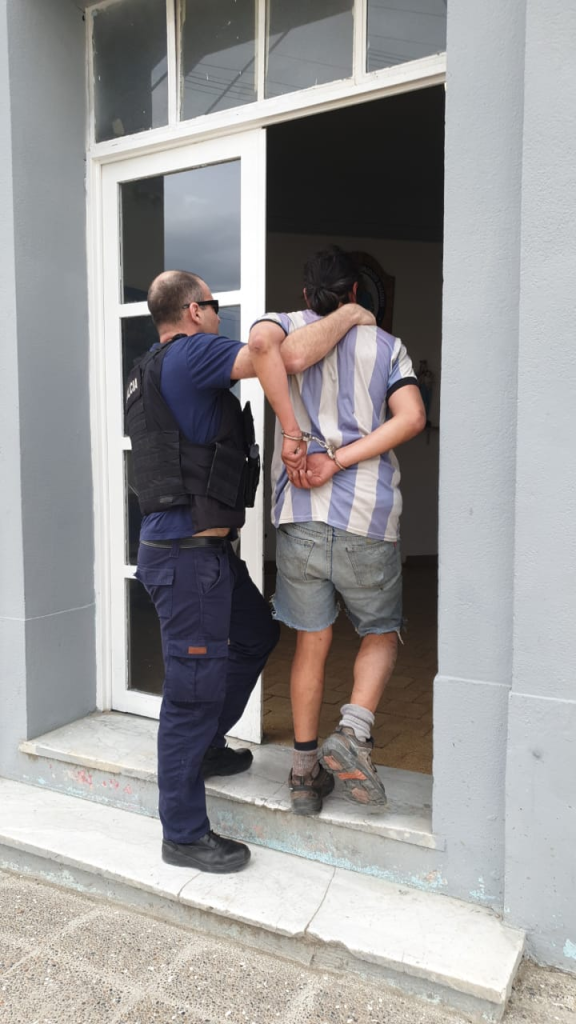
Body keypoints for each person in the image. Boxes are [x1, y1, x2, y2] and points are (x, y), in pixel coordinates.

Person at [125, 269, 376, 873]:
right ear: (193, 311)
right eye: (213, 305)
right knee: (190, 695)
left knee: (256, 634)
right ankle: (183, 834)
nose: (219, 316)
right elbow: (274, 351)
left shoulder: (147, 369)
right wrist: (350, 315)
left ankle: (208, 747)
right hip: (187, 557)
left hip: (198, 553)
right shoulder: (190, 354)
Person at [248, 247, 426, 815]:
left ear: (305, 295)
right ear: (354, 292)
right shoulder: (386, 346)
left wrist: (298, 439)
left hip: (300, 514)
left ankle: (303, 775)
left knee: (311, 641)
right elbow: (412, 418)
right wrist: (342, 460)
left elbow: (274, 351)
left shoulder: (285, 328)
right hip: (367, 516)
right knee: (380, 631)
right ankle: (353, 731)